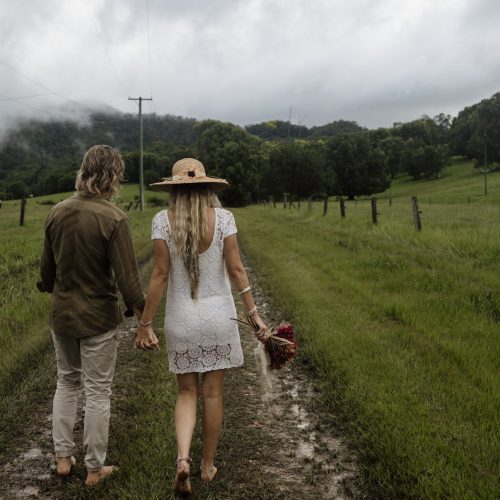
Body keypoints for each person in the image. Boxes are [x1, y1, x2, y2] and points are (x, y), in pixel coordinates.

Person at [135, 158, 268, 496]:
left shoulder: (162, 221)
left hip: (182, 318)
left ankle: (183, 460)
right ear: (207, 186)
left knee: (186, 393)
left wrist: (144, 323)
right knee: (212, 393)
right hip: (218, 318)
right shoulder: (223, 219)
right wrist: (254, 315)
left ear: (174, 189)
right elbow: (237, 270)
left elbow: (160, 275)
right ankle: (207, 465)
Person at [37, 145, 158, 486]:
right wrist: (143, 320)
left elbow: (47, 273)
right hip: (98, 319)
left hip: (62, 316)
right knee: (98, 391)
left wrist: (51, 286)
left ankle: (63, 459)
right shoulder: (114, 218)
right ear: (114, 176)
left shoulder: (56, 212)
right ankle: (94, 468)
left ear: (83, 171)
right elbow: (129, 282)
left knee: (66, 381)